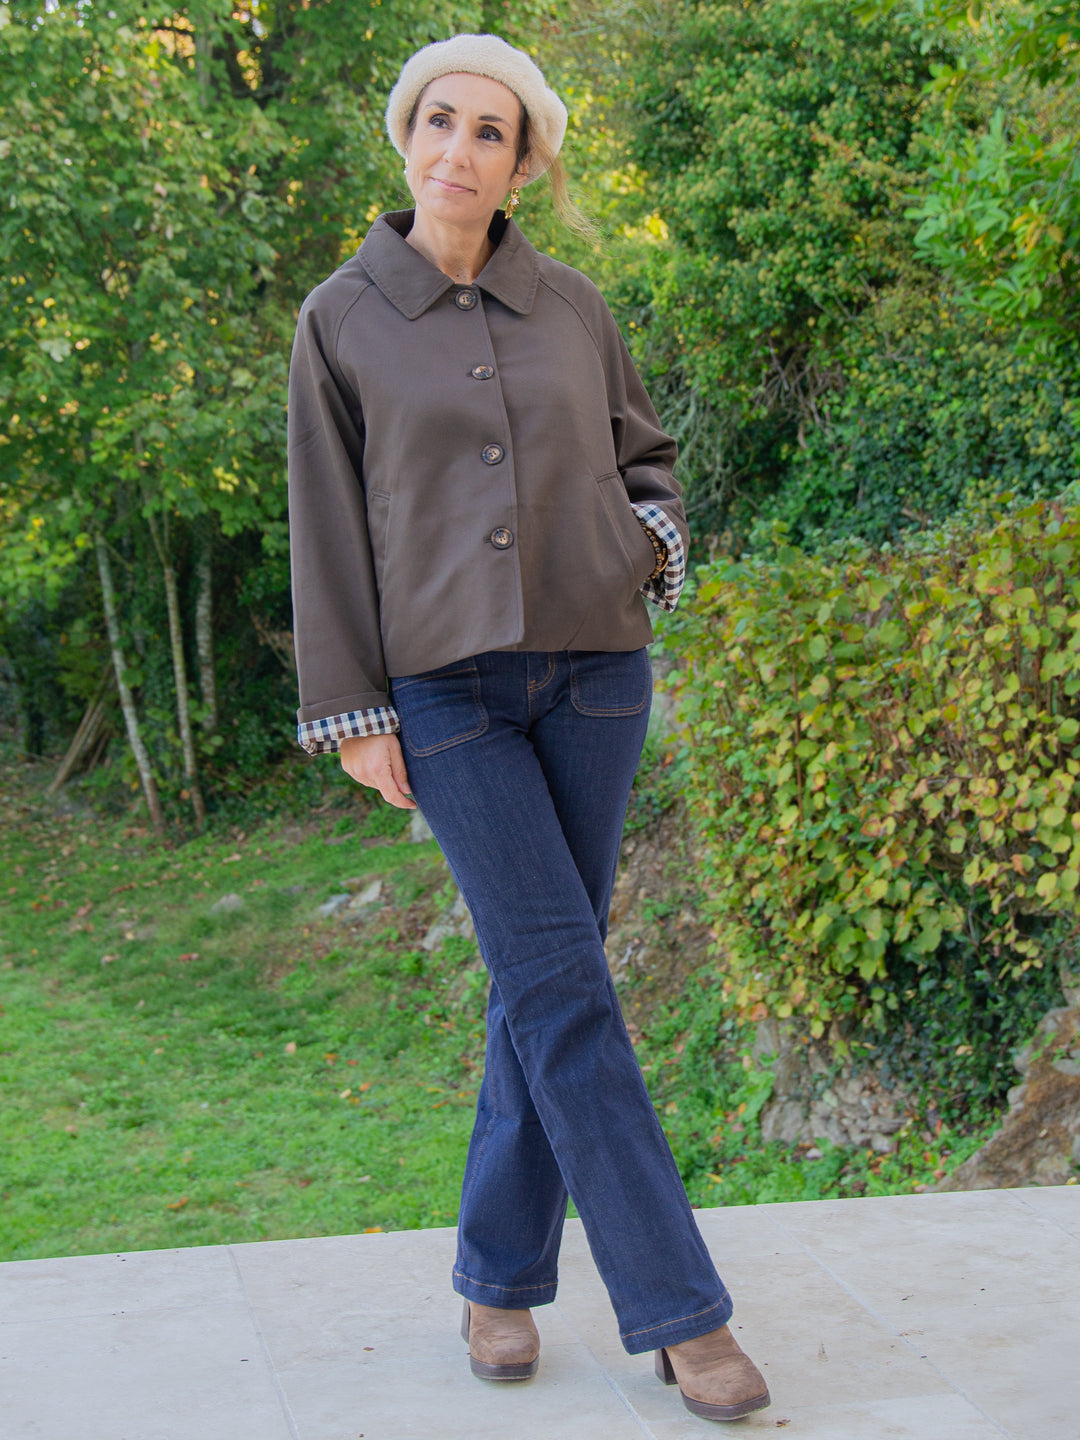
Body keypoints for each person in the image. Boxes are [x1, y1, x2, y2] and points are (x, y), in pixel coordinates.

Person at [287, 32, 770, 1424]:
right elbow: (325, 523)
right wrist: (352, 712)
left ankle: (498, 1276)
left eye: (490, 131)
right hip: (447, 694)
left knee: (543, 981)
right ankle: (683, 1313)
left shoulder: (572, 305)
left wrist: (646, 549)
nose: (459, 148)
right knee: (564, 991)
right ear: (406, 137)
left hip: (599, 675)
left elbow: (644, 457)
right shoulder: (339, 318)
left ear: (524, 162)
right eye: (439, 120)